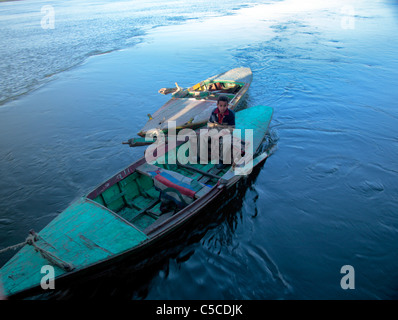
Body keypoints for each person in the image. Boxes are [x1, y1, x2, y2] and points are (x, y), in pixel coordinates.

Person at [198, 95, 235, 169]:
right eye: (220, 106)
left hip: (226, 130)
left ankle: (222, 160)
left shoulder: (230, 114)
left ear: (227, 106)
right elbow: (210, 123)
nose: (222, 108)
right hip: (216, 128)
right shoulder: (214, 112)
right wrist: (210, 131)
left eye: (225, 106)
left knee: (225, 141)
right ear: (217, 105)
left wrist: (220, 134)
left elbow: (232, 128)